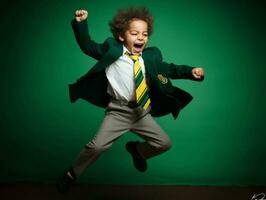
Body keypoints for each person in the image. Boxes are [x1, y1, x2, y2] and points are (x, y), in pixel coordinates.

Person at [56, 7, 204, 193]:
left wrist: (190, 71)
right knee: (97, 146)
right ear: (121, 36)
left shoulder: (150, 57)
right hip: (118, 112)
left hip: (142, 112)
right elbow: (87, 45)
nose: (140, 37)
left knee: (164, 143)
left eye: (145, 34)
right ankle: (71, 174)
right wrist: (81, 23)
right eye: (134, 33)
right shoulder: (112, 50)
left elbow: (169, 68)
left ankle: (137, 150)